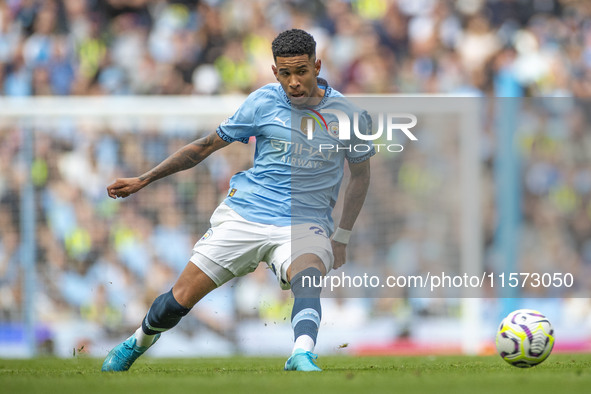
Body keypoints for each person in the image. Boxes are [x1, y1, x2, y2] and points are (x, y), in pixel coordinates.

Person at [101, 28, 373, 372]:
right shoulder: (262, 102)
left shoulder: (349, 116)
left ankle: (301, 354)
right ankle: (136, 342)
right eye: (285, 73)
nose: (293, 82)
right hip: (245, 214)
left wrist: (343, 236)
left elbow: (361, 176)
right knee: (180, 299)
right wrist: (145, 178)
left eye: (301, 72)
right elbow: (204, 147)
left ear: (317, 66)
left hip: (305, 223)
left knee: (309, 279)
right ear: (275, 71)